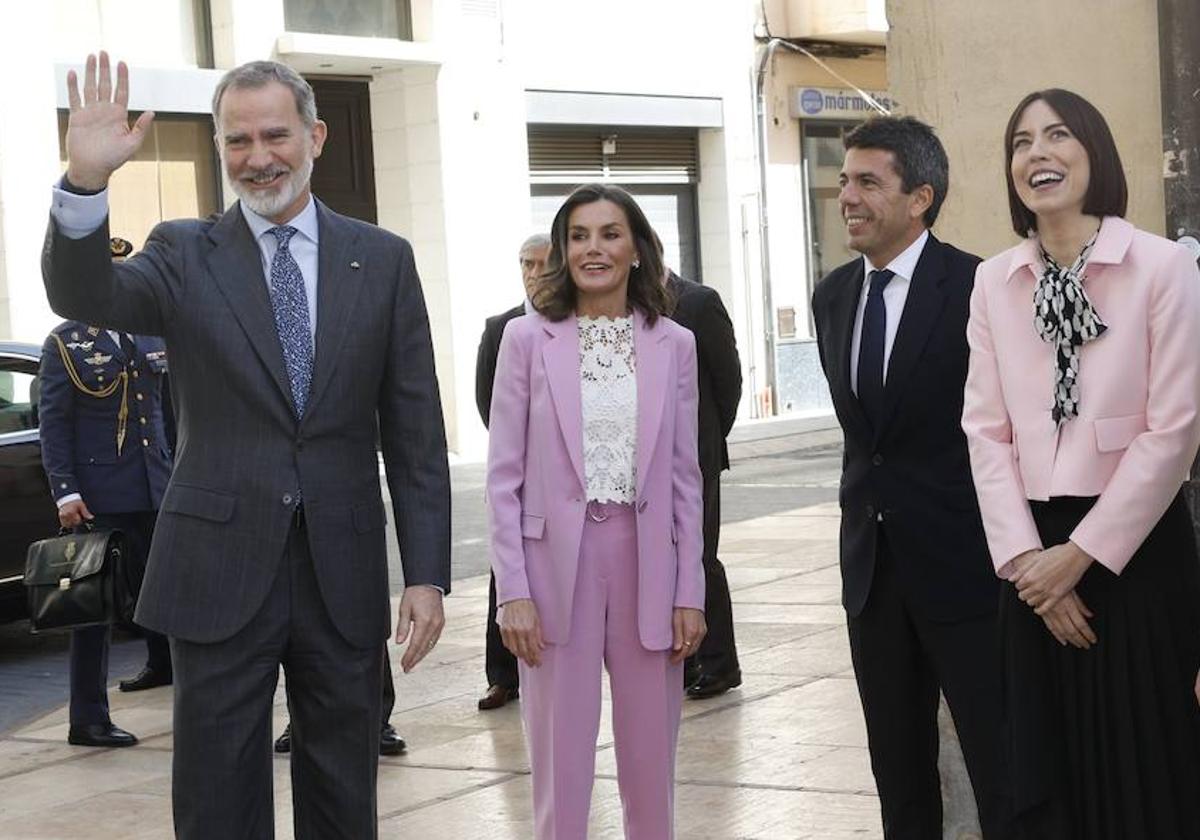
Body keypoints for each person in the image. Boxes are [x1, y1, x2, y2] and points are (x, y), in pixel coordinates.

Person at [44, 53, 450, 839]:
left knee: (343, 784)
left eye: (274, 135)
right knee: (217, 791)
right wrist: (85, 184)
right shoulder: (183, 251)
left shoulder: (385, 260)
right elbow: (86, 294)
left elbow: (415, 434)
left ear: (316, 136)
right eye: (237, 141)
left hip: (342, 567)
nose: (258, 157)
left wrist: (427, 573)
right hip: (216, 567)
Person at [963, 88, 1200, 839]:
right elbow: (984, 432)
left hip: (1137, 556)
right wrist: (1030, 563)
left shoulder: (1162, 268)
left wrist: (1084, 556)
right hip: (1031, 566)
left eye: (1058, 135)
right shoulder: (994, 283)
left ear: (1093, 151)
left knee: (1146, 772)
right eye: (1021, 142)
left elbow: (1175, 430)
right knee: (1046, 775)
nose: (1038, 153)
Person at [810, 115, 1010, 838]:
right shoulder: (833, 296)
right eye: (843, 181)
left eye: (868, 181)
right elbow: (867, 444)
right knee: (898, 776)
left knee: (1002, 769)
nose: (848, 197)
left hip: (970, 573)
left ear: (920, 196)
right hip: (872, 577)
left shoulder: (982, 286)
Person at [487, 183, 705, 839]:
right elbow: (503, 477)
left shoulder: (676, 344)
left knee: (650, 771)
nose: (594, 249)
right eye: (578, 236)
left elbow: (684, 478)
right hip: (555, 574)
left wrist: (689, 589)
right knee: (560, 768)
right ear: (562, 250)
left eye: (610, 233)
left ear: (638, 248)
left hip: (648, 568)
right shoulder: (525, 340)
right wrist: (512, 593)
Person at [37, 235, 175, 748]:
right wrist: (65, 492)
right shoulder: (66, 343)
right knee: (93, 610)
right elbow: (54, 425)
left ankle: (164, 667)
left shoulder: (148, 334)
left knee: (166, 589)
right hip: (99, 495)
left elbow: (167, 413)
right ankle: (88, 718)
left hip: (156, 486)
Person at [473, 232, 550, 711]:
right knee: (505, 574)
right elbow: (489, 400)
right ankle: (501, 676)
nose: (534, 273)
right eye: (526, 263)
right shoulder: (500, 327)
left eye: (543, 263)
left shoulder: (572, 323)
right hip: (516, 470)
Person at [664, 269, 743, 698]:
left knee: (699, 556)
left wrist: (709, 439)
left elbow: (728, 381)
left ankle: (719, 663)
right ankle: (683, 659)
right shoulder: (628, 302)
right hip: (648, 460)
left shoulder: (698, 302)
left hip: (697, 455)